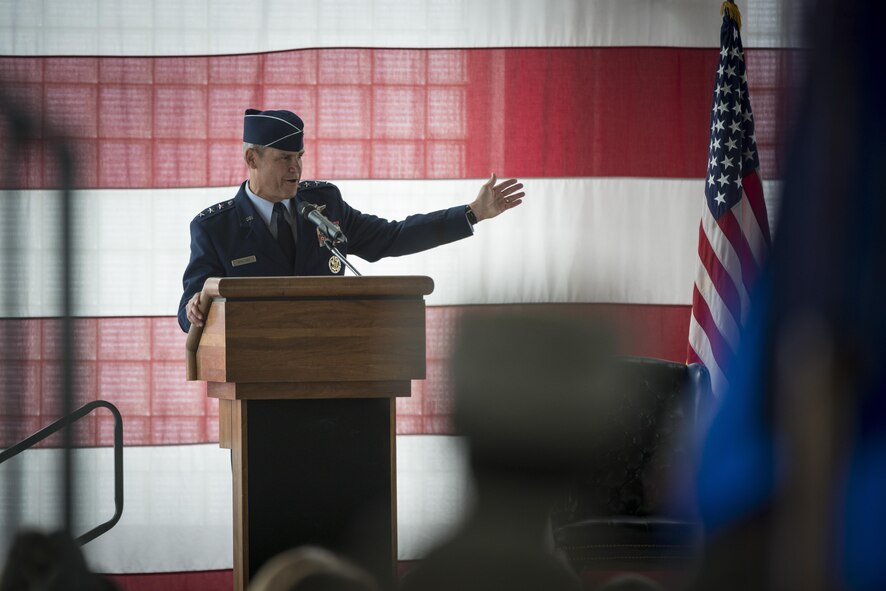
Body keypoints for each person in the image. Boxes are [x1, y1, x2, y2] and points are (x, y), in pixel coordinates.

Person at [178, 108, 525, 332]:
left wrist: (472, 213)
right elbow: (187, 309)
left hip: (334, 366)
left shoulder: (323, 204)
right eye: (284, 159)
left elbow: (394, 236)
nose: (296, 169)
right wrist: (196, 306)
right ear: (252, 158)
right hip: (255, 378)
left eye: (299, 157)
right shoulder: (215, 228)